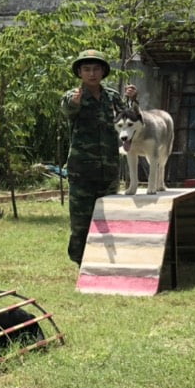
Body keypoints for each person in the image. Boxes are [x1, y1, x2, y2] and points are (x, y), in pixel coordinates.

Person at [61, 49, 137, 265]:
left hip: (109, 170)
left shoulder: (112, 97)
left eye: (96, 69)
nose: (92, 74)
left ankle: (106, 260)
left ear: (103, 71)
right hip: (82, 171)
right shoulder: (73, 96)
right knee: (81, 222)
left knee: (110, 219)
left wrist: (132, 100)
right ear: (79, 72)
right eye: (86, 69)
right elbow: (67, 110)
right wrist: (75, 103)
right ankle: (80, 261)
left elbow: (129, 119)